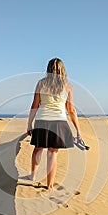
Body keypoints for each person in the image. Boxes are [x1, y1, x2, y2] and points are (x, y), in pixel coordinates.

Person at [27, 58, 82, 190]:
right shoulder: (67, 86)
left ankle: (33, 176)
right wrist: (78, 131)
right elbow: (71, 110)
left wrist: (29, 124)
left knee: (38, 148)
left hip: (42, 120)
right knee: (52, 153)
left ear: (48, 69)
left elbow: (35, 104)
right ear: (63, 70)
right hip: (59, 122)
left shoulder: (41, 83)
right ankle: (49, 185)